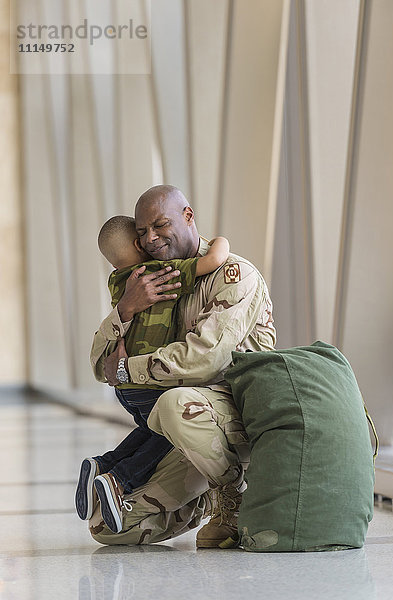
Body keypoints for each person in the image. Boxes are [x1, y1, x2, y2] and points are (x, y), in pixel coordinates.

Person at [89, 184, 276, 548]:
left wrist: (129, 370)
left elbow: (202, 361)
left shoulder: (234, 276)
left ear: (188, 216)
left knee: (173, 404)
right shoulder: (153, 279)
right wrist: (126, 309)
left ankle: (234, 495)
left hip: (235, 416)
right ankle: (205, 497)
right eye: (142, 232)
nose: (151, 238)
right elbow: (100, 364)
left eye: (160, 225)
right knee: (108, 529)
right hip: (184, 425)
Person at [75, 215, 230, 534]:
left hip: (125, 386)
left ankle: (105, 464)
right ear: (137, 244)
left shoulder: (118, 280)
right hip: (146, 380)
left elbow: (99, 356)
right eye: (144, 235)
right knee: (167, 430)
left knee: (151, 427)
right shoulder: (158, 273)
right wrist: (221, 241)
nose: (152, 240)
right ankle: (120, 479)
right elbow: (214, 258)